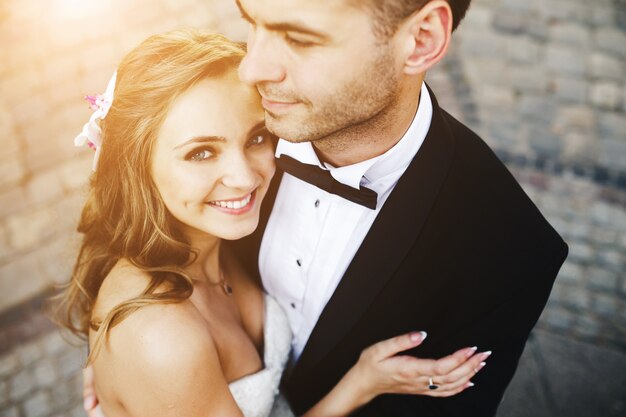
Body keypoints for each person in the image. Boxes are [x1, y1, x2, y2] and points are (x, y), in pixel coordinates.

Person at [57, 29, 489, 417]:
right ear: (136, 167)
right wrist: (361, 384)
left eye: (256, 138)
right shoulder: (161, 341)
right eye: (201, 153)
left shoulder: (211, 239)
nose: (246, 177)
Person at [224, 0, 568, 416]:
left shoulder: (509, 250)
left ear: (421, 40)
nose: (251, 69)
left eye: (299, 38)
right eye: (251, 22)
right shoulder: (209, 126)